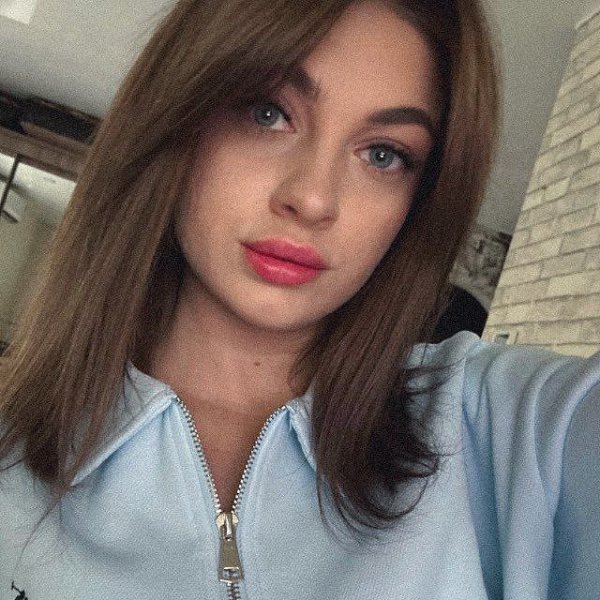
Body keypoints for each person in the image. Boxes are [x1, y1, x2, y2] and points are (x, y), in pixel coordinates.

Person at [0, 0, 597, 598]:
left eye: (384, 154)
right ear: (178, 114)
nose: (313, 199)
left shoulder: (505, 431)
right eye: (269, 113)